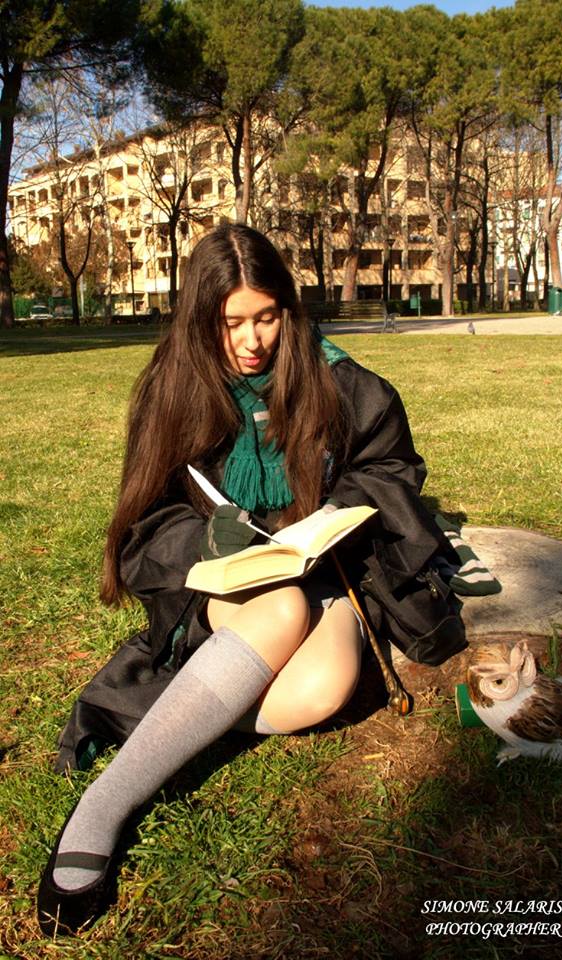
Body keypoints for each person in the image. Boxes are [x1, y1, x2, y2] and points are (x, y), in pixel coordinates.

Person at [38, 223, 465, 936]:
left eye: (265, 316)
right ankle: (102, 809)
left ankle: (192, 713)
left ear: (288, 309)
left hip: (331, 567)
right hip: (230, 584)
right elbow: (144, 519)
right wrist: (206, 534)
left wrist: (339, 507)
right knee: (278, 612)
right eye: (229, 321)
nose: (250, 341)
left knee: (320, 692)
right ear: (199, 318)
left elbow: (390, 469)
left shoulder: (341, 381)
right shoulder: (173, 388)